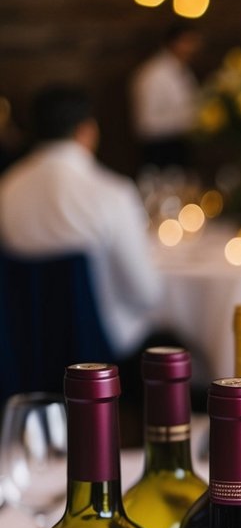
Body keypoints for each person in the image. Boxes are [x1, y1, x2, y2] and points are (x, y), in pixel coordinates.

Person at [0, 83, 162, 368]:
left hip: (18, 350)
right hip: (95, 351)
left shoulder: (6, 189)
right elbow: (145, 292)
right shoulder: (113, 192)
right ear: (86, 130)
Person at [131, 23, 202, 171]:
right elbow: (146, 122)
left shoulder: (183, 70)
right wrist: (187, 120)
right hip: (160, 149)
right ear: (174, 42)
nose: (192, 48)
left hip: (181, 144)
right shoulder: (153, 74)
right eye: (187, 42)